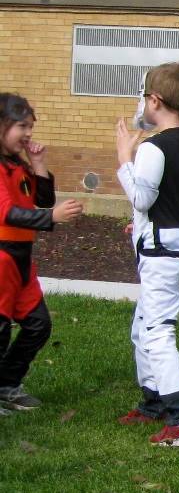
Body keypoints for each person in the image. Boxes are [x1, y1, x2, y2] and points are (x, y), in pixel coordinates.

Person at [113, 64, 179, 447]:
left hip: (161, 251)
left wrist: (124, 158)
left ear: (154, 100)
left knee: (156, 332)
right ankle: (153, 403)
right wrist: (144, 223)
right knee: (143, 326)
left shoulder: (153, 146)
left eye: (144, 96)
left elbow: (141, 197)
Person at [0, 93, 83, 414]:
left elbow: (43, 199)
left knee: (38, 324)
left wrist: (38, 165)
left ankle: (7, 384)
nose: (28, 133)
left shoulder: (16, 166)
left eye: (30, 127)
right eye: (22, 126)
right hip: (3, 258)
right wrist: (51, 218)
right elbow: (7, 214)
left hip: (21, 259)